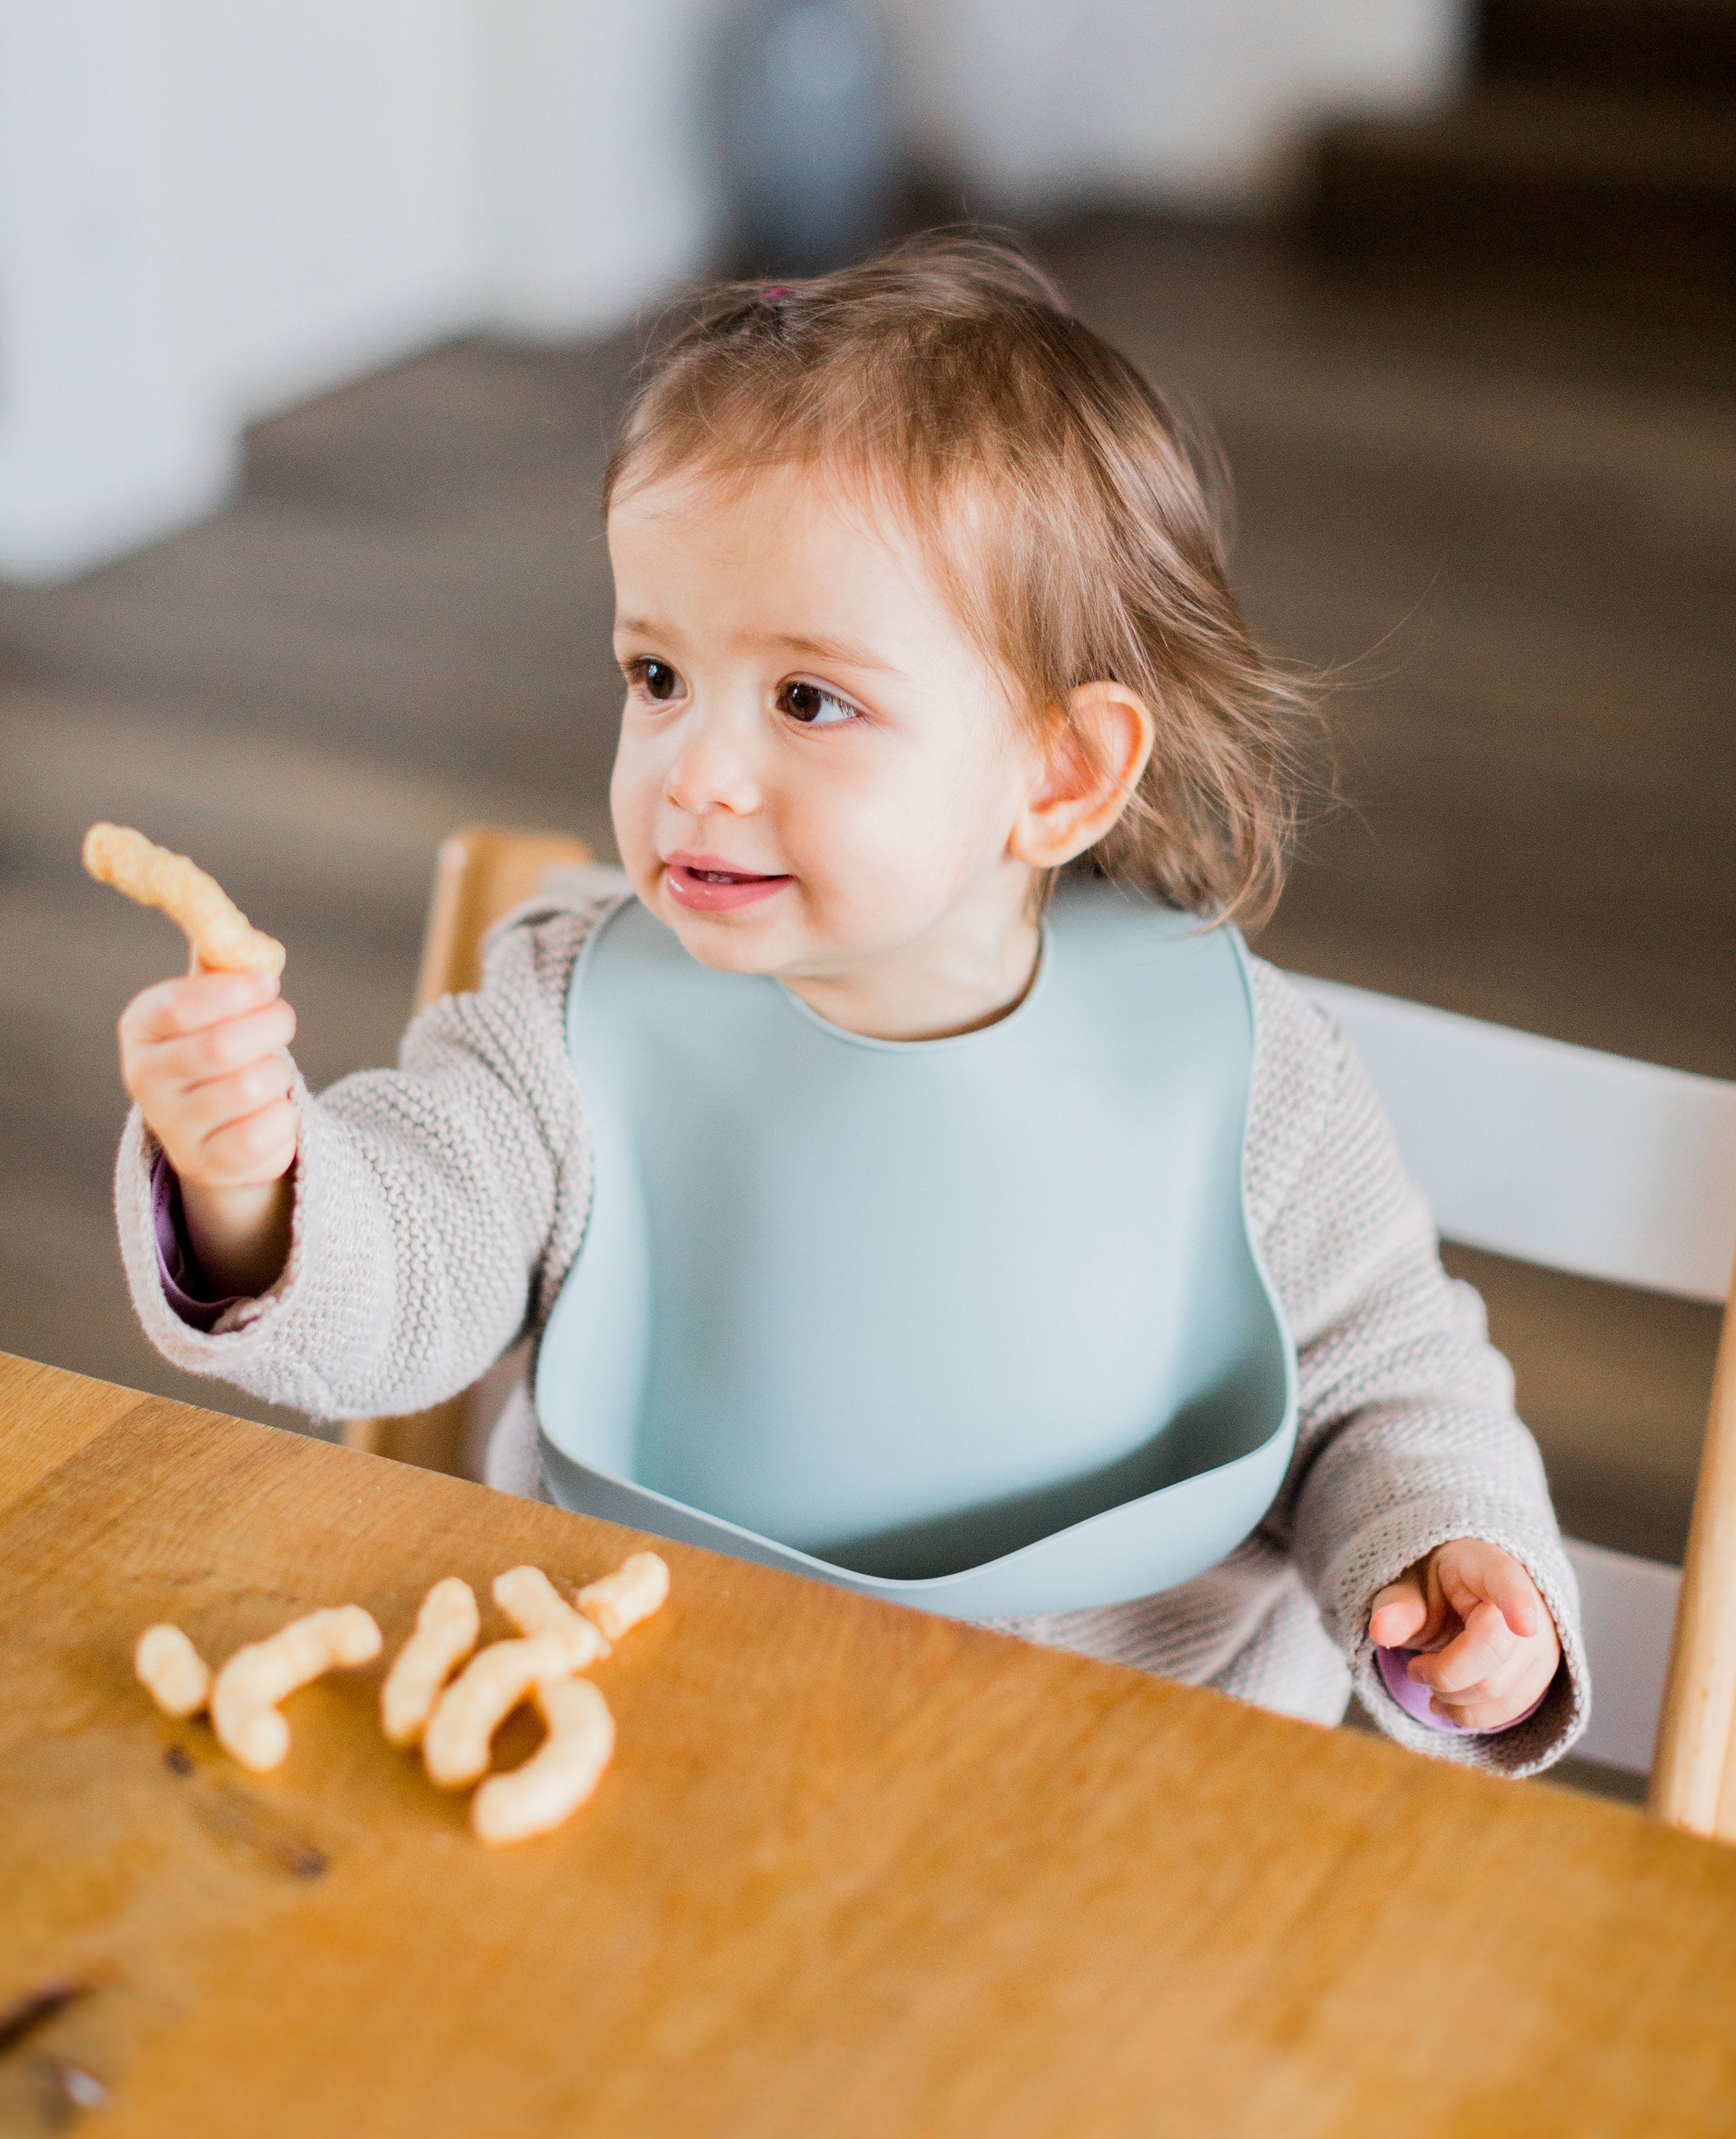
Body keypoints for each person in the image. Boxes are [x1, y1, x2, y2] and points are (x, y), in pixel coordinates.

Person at [111, 234, 1585, 1771]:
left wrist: (1442, 1554)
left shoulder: (1251, 1076)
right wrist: (250, 1189)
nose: (694, 771)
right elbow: (412, 1267)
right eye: (657, 675)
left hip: (1137, 1790)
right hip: (652, 1729)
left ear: (1061, 772)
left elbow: (1385, 1382)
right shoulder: (564, 1017)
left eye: (810, 700)